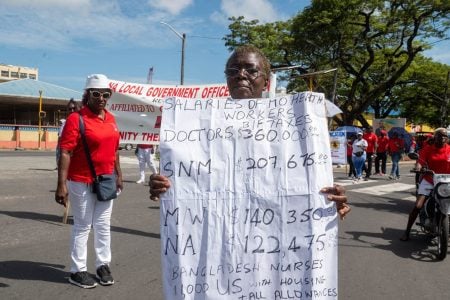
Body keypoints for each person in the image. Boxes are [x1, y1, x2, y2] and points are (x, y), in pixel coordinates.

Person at [149, 45, 350, 219]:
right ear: (227, 78)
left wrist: (331, 198)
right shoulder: (197, 124)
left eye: (251, 70)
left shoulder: (294, 125)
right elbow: (188, 172)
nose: (241, 74)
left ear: (267, 82)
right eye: (233, 70)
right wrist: (164, 183)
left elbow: (306, 178)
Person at [55, 74, 123, 288]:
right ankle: (77, 270)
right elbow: (65, 151)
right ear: (87, 95)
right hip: (81, 180)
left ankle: (103, 265)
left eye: (106, 94)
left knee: (103, 225)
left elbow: (114, 150)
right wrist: (61, 184)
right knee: (83, 226)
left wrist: (118, 174)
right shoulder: (77, 119)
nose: (101, 98)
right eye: (96, 93)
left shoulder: (110, 118)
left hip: (106, 180)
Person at [400, 128, 450, 241]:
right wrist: (419, 168)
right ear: (435, 137)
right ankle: (407, 231)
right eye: (440, 136)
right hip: (430, 181)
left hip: (446, 182)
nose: (442, 138)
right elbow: (420, 162)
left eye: (445, 136)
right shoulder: (427, 149)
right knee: (418, 205)